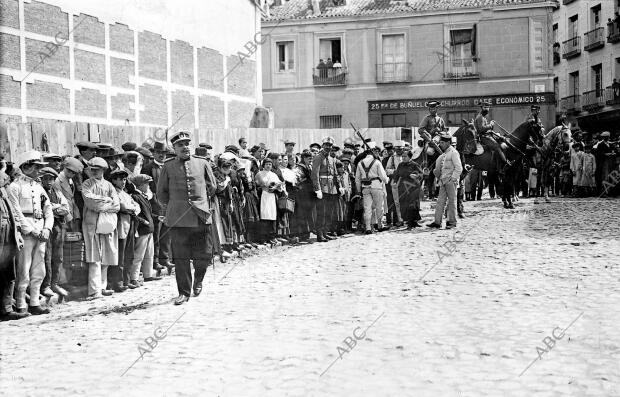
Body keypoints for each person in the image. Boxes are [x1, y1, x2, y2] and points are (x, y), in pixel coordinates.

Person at [157, 131, 216, 305]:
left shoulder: (202, 163)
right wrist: (174, 207)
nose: (185, 147)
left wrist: (202, 201)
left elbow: (212, 187)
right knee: (181, 258)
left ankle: (198, 279)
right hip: (178, 219)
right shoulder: (167, 166)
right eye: (180, 145)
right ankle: (183, 292)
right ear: (174, 148)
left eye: (187, 143)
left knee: (204, 255)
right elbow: (161, 193)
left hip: (200, 216)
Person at [7, 151, 54, 315]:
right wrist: (31, 230)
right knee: (23, 268)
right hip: (26, 232)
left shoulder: (39, 187)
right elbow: (16, 212)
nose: (39, 170)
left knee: (39, 268)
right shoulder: (15, 187)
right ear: (25, 166)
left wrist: (47, 228)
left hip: (41, 230)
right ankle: (21, 304)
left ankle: (34, 302)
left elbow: (48, 210)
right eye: (36, 167)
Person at [81, 157, 120, 299]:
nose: (94, 172)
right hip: (91, 223)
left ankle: (103, 286)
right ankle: (94, 290)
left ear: (103, 170)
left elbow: (117, 205)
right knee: (94, 256)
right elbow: (91, 202)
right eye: (92, 169)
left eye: (97, 169)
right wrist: (107, 201)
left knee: (107, 256)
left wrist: (105, 204)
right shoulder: (87, 184)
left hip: (107, 223)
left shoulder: (109, 185)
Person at [0, 161, 27, 321]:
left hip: (7, 234)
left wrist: (16, 233)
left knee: (9, 273)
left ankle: (6, 309)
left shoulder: (4, 190)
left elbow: (11, 214)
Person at [141, 141, 173, 275]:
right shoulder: (148, 168)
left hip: (169, 204)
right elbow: (146, 187)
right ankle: (154, 260)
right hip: (155, 204)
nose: (161, 155)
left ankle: (164, 258)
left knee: (167, 232)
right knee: (157, 233)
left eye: (164, 153)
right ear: (154, 153)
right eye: (159, 153)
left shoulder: (169, 166)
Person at [38, 167, 70, 300]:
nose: (49, 181)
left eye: (51, 179)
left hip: (59, 226)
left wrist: (55, 207)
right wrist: (56, 207)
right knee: (47, 256)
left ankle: (54, 283)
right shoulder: (40, 191)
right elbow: (44, 209)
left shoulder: (57, 191)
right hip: (46, 226)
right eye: (46, 178)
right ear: (42, 179)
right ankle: (46, 285)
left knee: (58, 256)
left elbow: (66, 208)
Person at [109, 168, 138, 291]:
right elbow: (122, 207)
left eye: (125, 179)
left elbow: (137, 207)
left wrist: (132, 208)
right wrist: (130, 208)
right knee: (120, 255)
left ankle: (126, 281)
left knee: (129, 254)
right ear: (114, 180)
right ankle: (118, 282)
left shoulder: (125, 193)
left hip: (130, 224)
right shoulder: (113, 192)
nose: (123, 182)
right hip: (120, 224)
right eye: (121, 179)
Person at [427, 132, 463, 229]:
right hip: (443, 181)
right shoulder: (444, 154)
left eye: (442, 143)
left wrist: (453, 179)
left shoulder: (454, 153)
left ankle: (451, 222)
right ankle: (437, 222)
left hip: (451, 181)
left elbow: (459, 168)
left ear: (448, 143)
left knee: (452, 202)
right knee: (440, 201)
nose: (440, 144)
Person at [129, 174, 160, 285]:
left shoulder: (142, 196)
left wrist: (157, 218)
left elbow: (148, 213)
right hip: (142, 229)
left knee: (149, 254)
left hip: (148, 229)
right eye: (147, 183)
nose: (148, 185)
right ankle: (134, 278)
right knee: (139, 255)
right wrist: (145, 222)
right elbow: (135, 214)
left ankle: (148, 275)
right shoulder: (135, 196)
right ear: (140, 185)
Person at [311, 137, 342, 242]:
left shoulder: (332, 158)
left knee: (329, 212)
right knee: (321, 213)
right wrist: (317, 189)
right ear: (322, 145)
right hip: (323, 188)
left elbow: (336, 174)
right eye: (326, 145)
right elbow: (315, 174)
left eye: (330, 145)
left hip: (332, 188)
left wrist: (340, 186)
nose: (328, 147)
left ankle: (325, 232)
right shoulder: (318, 157)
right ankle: (320, 235)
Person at [355, 143, 389, 234]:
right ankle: (379, 225)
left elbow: (357, 179)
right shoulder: (377, 162)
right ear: (372, 151)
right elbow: (383, 176)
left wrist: (358, 190)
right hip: (376, 186)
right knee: (379, 207)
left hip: (365, 187)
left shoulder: (360, 163)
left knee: (367, 208)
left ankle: (368, 227)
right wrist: (386, 180)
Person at [290, 151, 316, 243]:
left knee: (307, 213)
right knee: (302, 214)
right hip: (302, 194)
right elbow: (296, 180)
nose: (311, 160)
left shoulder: (308, 166)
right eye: (309, 159)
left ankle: (307, 233)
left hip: (308, 194)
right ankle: (302, 234)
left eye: (311, 158)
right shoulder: (299, 168)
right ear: (304, 158)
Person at [393, 150, 424, 228]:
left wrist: (416, 176)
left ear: (410, 157)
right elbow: (397, 174)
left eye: (405, 156)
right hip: (403, 187)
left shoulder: (415, 165)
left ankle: (412, 222)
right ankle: (408, 221)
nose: (403, 158)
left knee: (413, 204)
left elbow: (421, 174)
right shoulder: (400, 165)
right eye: (402, 156)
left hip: (413, 187)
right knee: (404, 204)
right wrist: (395, 181)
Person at [255, 157, 282, 244]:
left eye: (270, 164)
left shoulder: (274, 174)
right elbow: (258, 184)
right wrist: (265, 186)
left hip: (272, 196)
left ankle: (272, 236)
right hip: (264, 195)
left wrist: (275, 187)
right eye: (266, 164)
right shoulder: (259, 174)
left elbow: (279, 184)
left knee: (272, 215)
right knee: (264, 215)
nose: (268, 166)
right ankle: (263, 237)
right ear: (263, 165)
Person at [474, 104, 510, 169]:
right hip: (484, 137)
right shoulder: (480, 117)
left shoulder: (483, 117)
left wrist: (490, 124)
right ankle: (505, 163)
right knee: (497, 146)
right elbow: (481, 129)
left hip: (488, 135)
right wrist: (490, 125)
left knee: (501, 140)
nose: (487, 109)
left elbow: (485, 127)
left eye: (488, 108)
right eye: (485, 107)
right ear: (481, 108)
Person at [54, 157, 84, 232]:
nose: (71, 173)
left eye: (74, 173)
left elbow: (71, 198)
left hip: (72, 213)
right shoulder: (57, 180)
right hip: (63, 216)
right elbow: (58, 200)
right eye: (69, 171)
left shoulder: (70, 180)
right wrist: (68, 217)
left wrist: (76, 215)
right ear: (64, 167)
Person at [385, 140, 406, 227]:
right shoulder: (392, 158)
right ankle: (400, 220)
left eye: (400, 149)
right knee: (397, 202)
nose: (399, 151)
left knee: (405, 201)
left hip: (405, 181)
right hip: (395, 181)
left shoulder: (406, 157)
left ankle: (406, 219)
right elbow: (387, 170)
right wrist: (396, 172)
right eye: (397, 149)